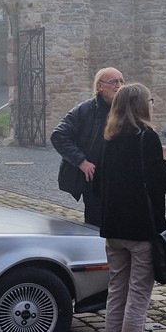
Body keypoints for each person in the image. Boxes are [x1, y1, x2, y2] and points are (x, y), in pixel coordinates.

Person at [96, 83, 166, 332]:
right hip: (141, 229)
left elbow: (100, 184)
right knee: (137, 299)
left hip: (114, 228)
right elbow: (160, 184)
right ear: (142, 104)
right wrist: (163, 161)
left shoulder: (109, 137)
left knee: (116, 297)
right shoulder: (147, 136)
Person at [52, 67, 124, 227]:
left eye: (121, 81)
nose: (119, 86)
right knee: (96, 225)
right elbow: (59, 136)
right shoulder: (85, 110)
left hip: (119, 179)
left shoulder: (125, 110)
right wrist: (81, 161)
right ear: (100, 86)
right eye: (113, 82)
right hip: (95, 180)